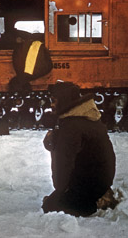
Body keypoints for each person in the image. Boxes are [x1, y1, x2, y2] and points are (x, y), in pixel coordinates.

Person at [42, 81, 117, 217]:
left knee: (50, 206)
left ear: (63, 100)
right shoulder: (84, 118)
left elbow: (63, 163)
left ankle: (97, 200)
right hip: (101, 179)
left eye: (54, 100)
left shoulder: (71, 127)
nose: (51, 105)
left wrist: (60, 191)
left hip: (91, 183)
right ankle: (100, 194)